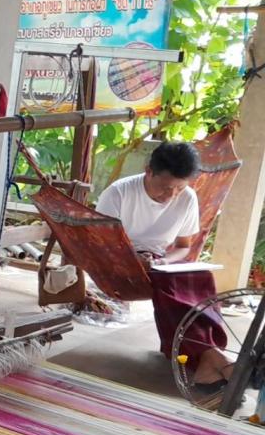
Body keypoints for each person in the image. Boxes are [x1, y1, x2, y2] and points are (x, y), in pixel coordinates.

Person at [95, 141, 230, 386]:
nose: (171, 196)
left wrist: (165, 260)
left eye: (179, 188)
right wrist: (134, 260)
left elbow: (183, 247)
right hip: (121, 261)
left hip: (159, 260)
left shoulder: (187, 198)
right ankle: (209, 358)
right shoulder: (119, 193)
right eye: (166, 187)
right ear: (149, 171)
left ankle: (208, 353)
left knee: (201, 278)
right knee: (169, 285)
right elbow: (101, 245)